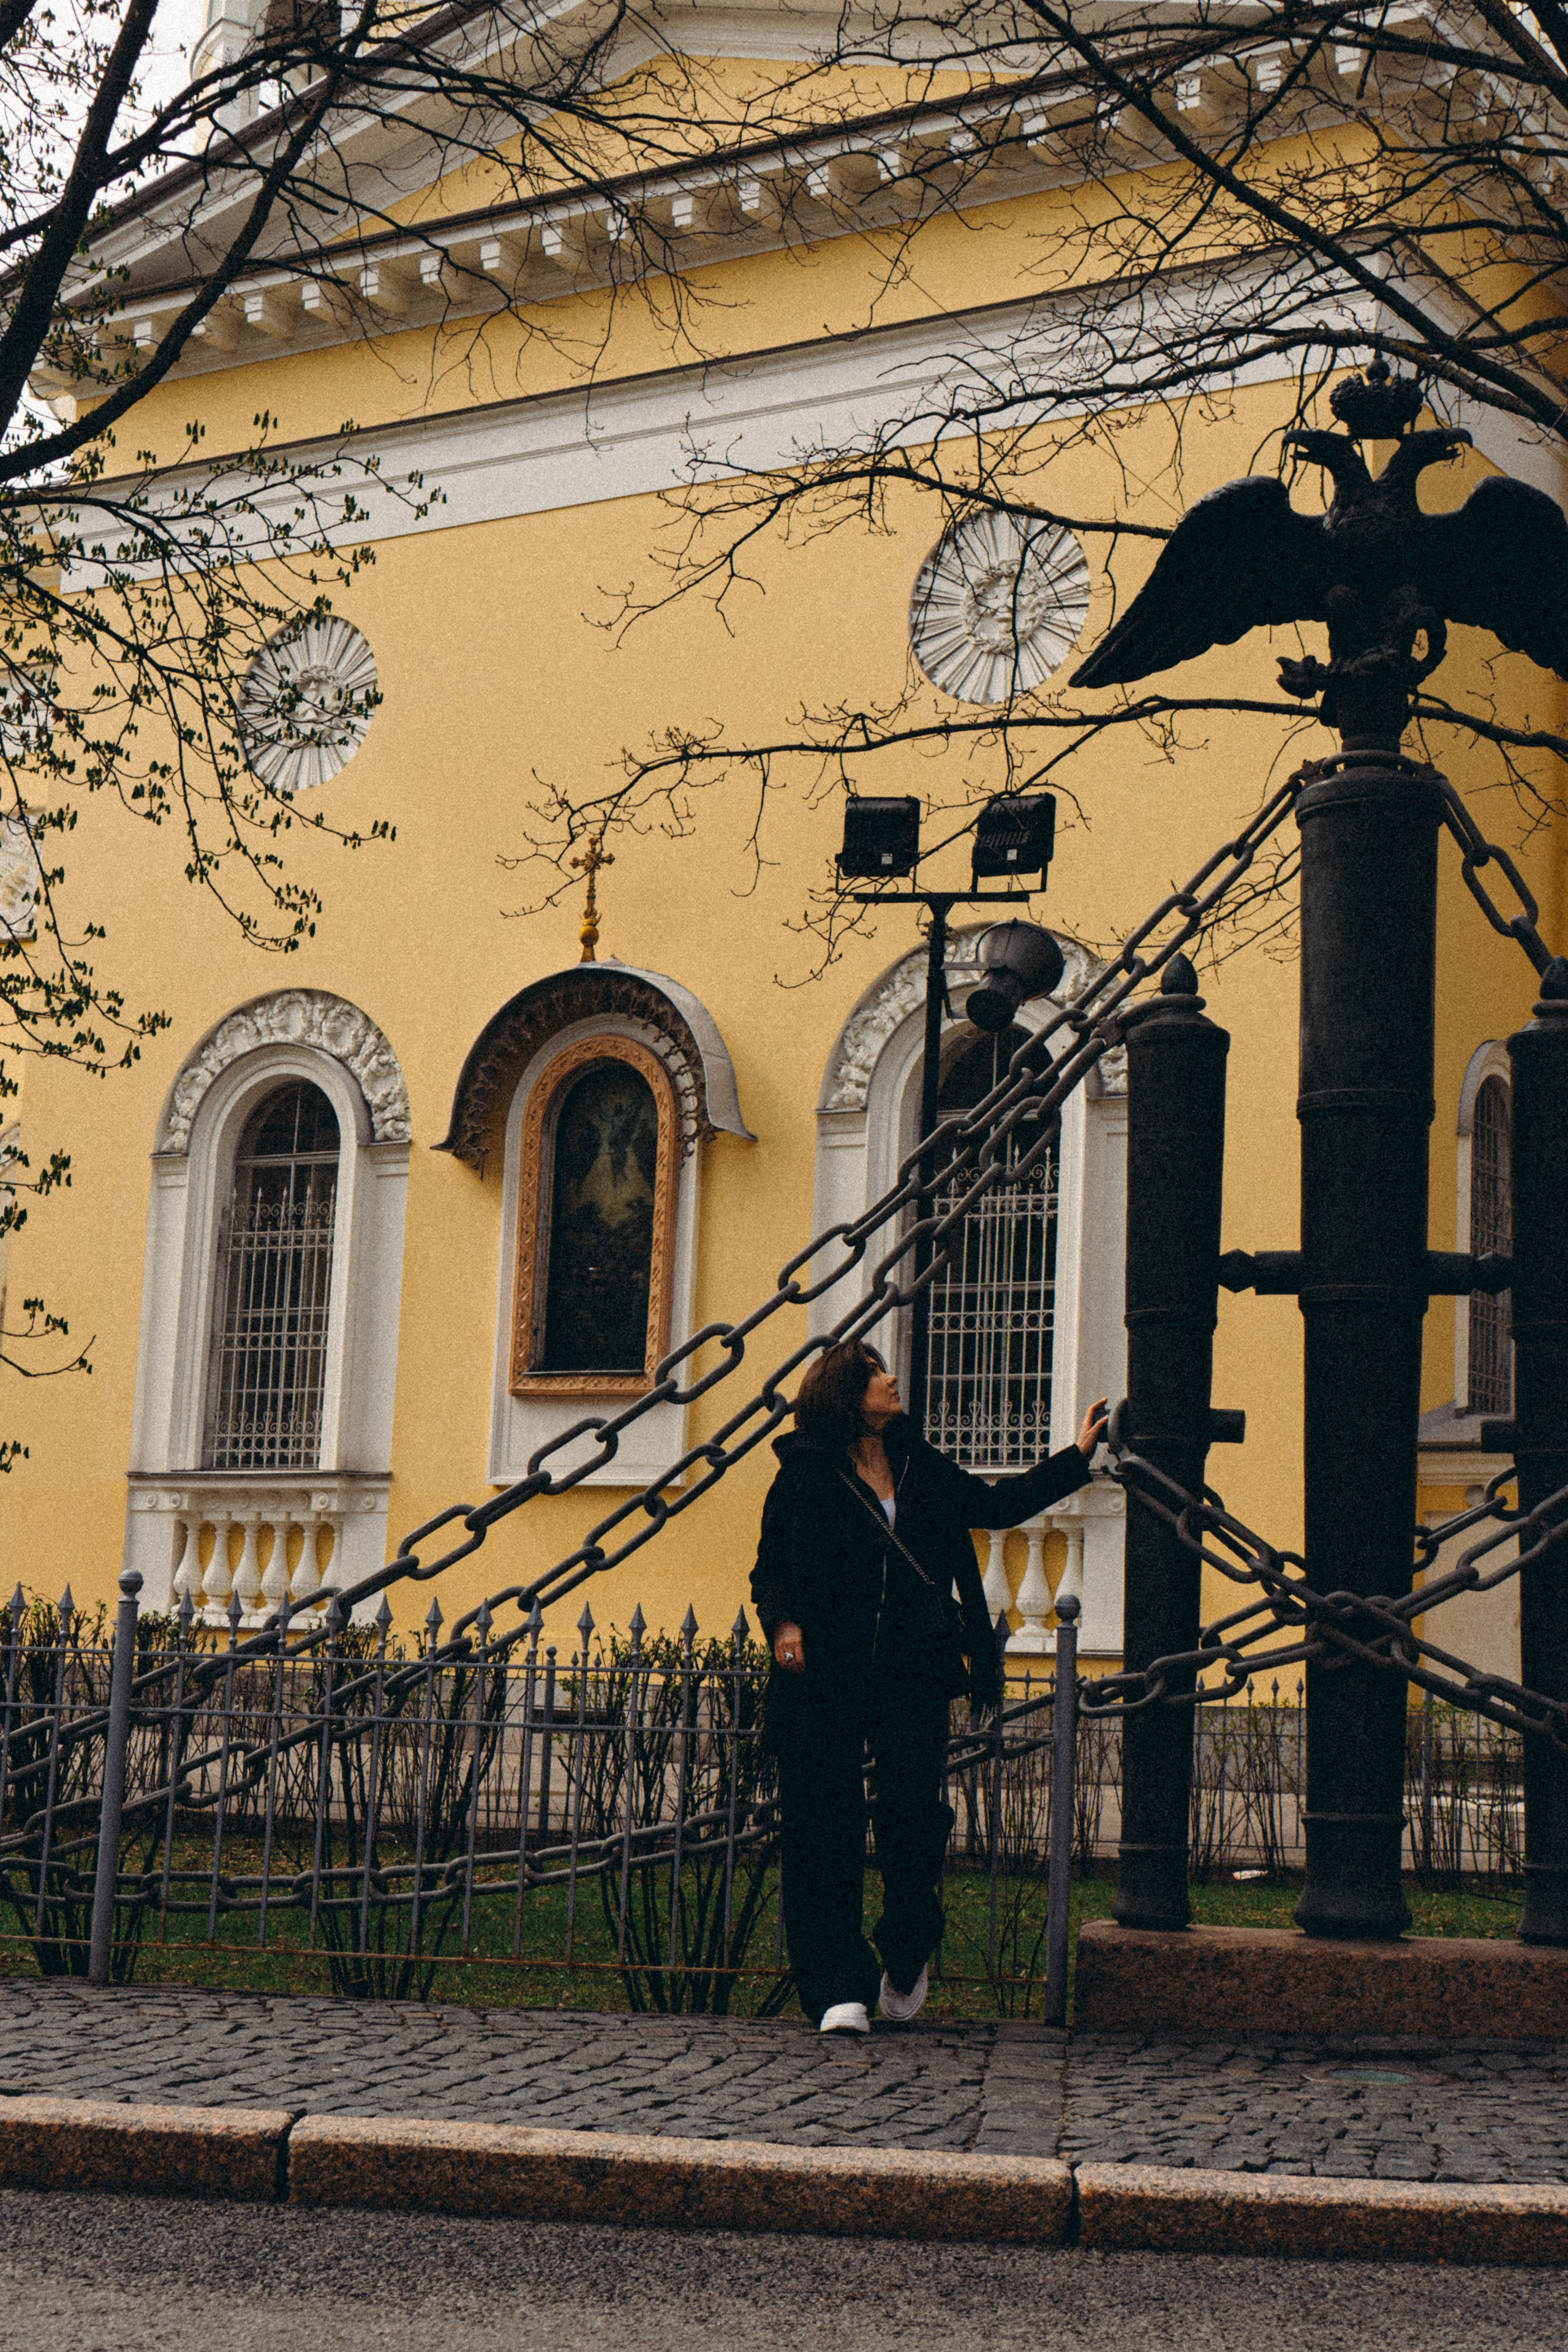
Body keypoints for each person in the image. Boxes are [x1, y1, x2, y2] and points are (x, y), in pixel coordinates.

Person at [750, 1339, 1108, 2034]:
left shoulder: (918, 1464)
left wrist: (1077, 1455)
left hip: (911, 1668)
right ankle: (836, 1988)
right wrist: (783, 1622)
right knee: (825, 1825)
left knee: (915, 1820)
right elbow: (771, 1564)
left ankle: (907, 1947)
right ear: (848, 1396)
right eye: (876, 1373)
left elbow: (997, 1507)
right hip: (827, 1670)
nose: (891, 1378)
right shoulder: (806, 1473)